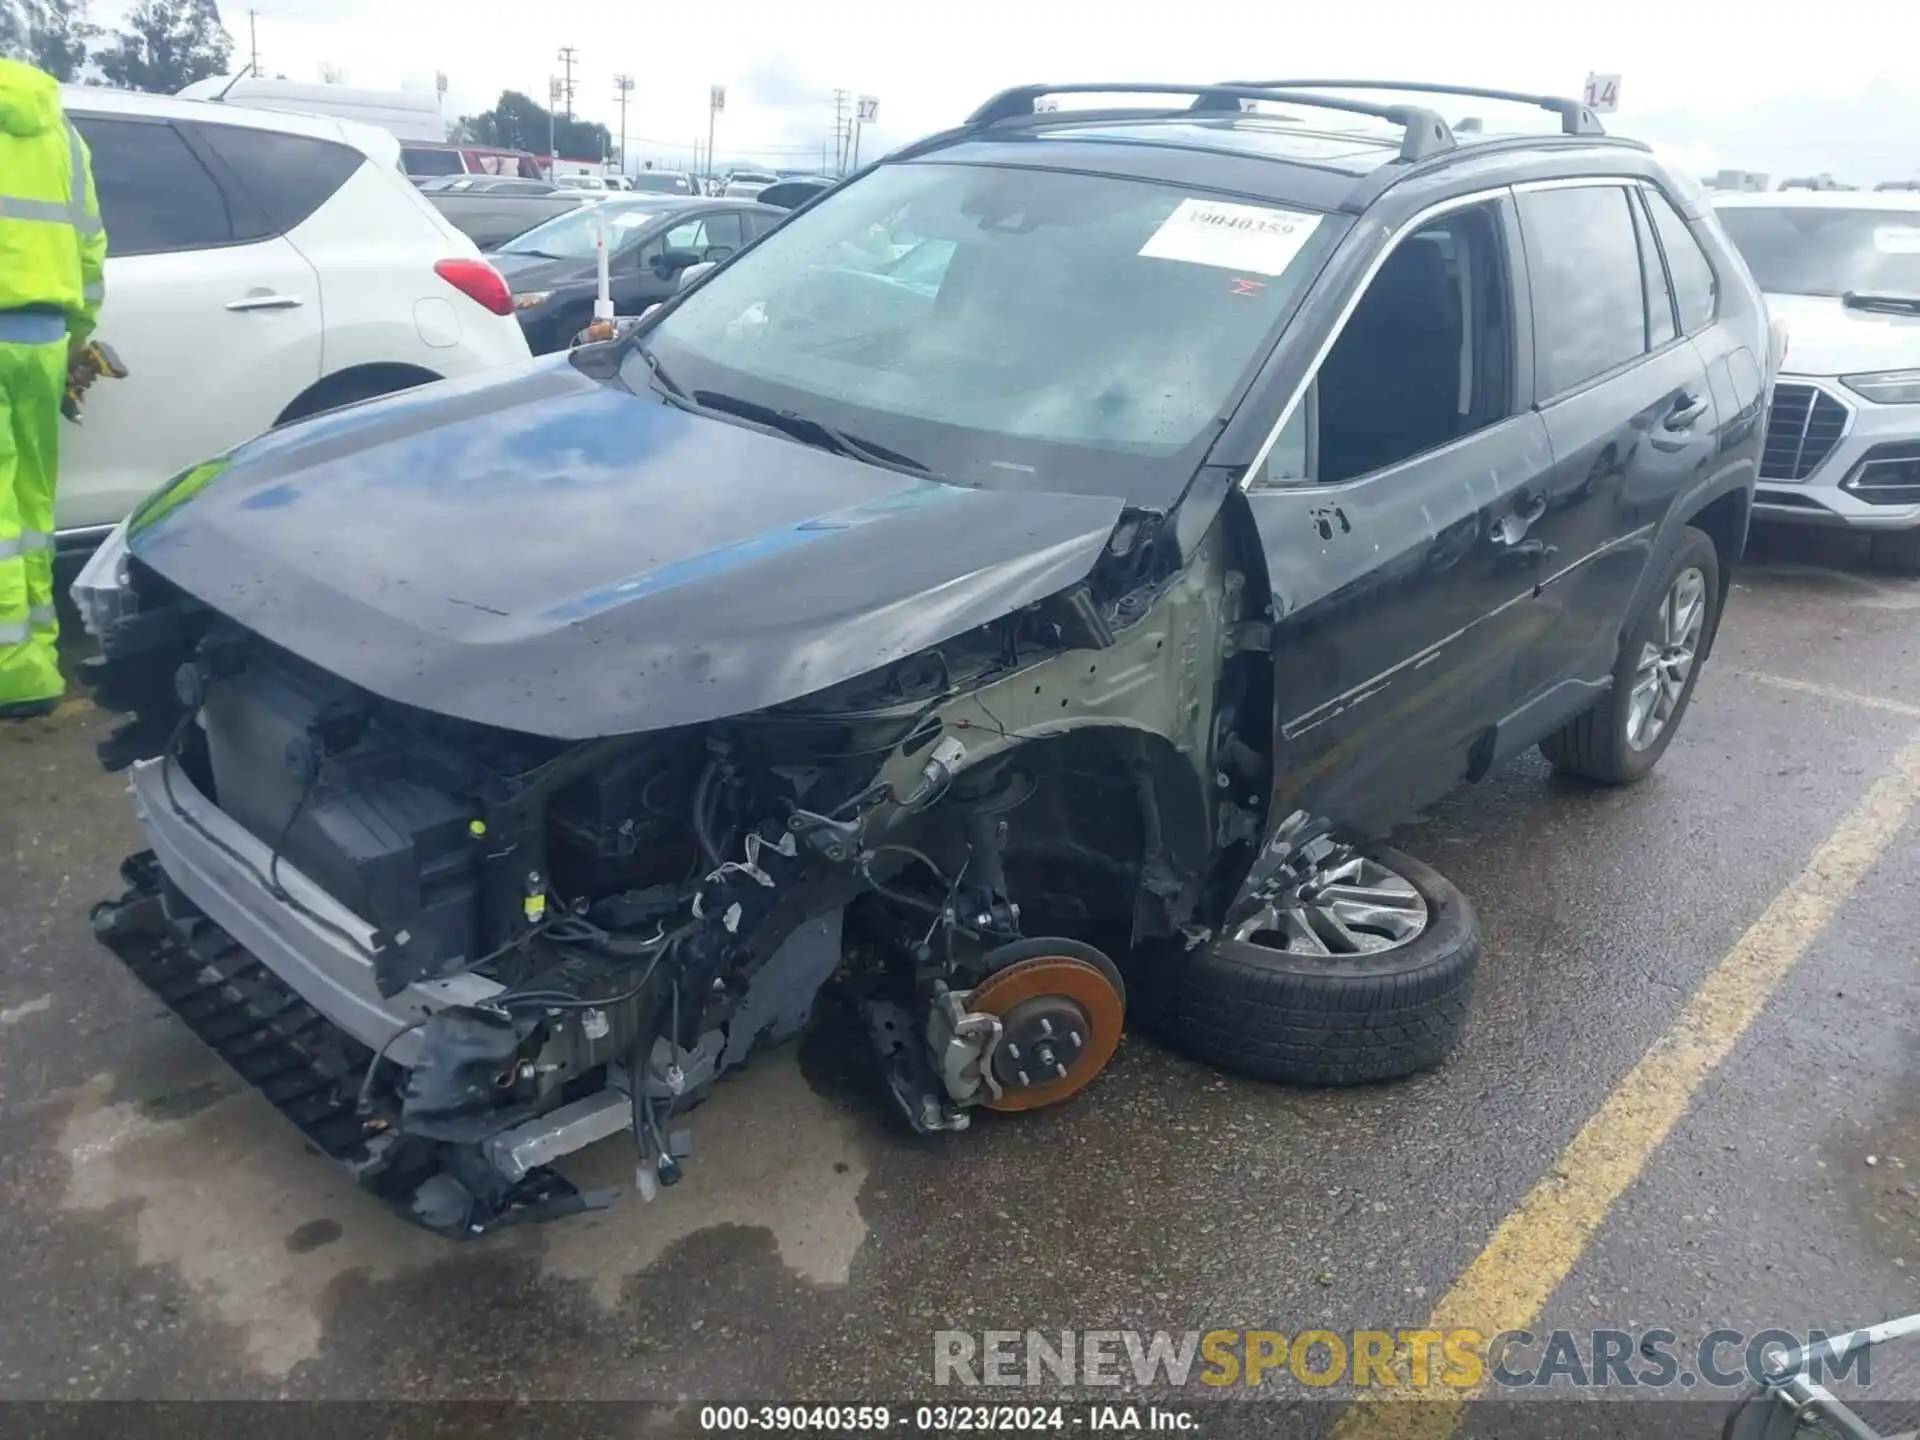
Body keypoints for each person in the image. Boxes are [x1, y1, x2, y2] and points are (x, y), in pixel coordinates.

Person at [0, 57, 104, 720]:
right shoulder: (61, 128)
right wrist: (77, 335)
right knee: (30, 505)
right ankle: (33, 660)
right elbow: (89, 244)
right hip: (42, 338)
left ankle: (12, 673)